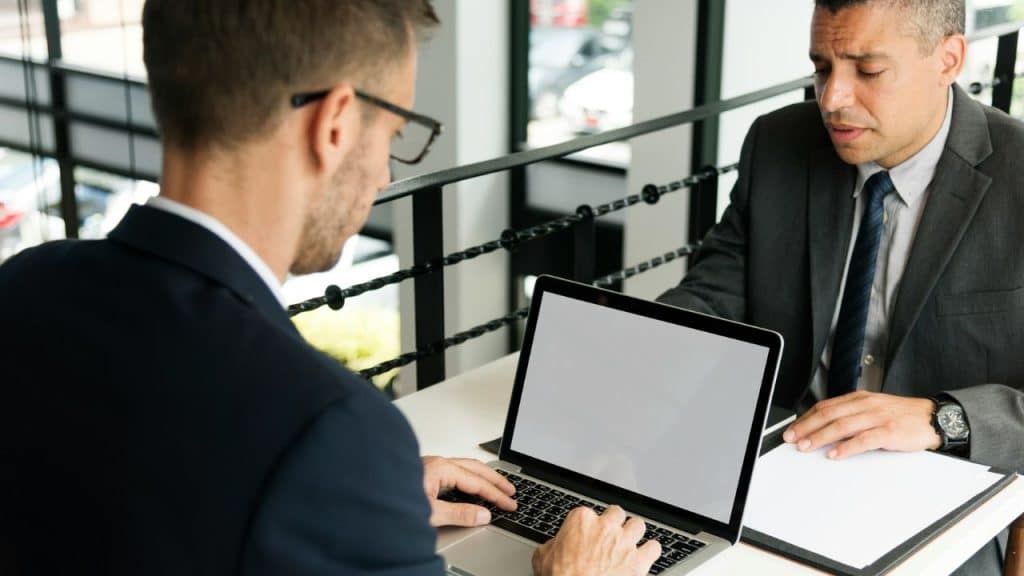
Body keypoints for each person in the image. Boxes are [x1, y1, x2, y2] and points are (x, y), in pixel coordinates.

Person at [0, 1, 659, 574]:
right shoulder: (328, 431)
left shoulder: (28, 286)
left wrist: (362, 509)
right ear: (336, 123)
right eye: (396, 137)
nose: (382, 176)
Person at [658, 0, 1023, 573]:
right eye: (822, 67)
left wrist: (938, 419)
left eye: (868, 70)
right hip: (781, 456)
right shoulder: (778, 143)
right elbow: (714, 290)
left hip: (946, 490)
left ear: (948, 59)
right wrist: (648, 348)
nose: (832, 99)